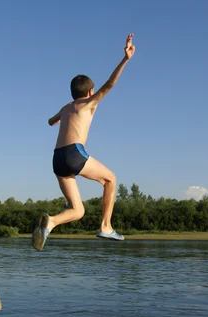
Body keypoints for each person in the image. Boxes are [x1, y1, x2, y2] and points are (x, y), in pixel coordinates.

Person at [32, 33, 136, 251]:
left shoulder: (66, 108)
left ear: (71, 93)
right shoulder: (89, 103)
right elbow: (110, 84)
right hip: (74, 153)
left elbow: (51, 121)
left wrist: (57, 119)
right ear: (89, 92)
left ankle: (50, 222)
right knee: (110, 179)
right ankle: (106, 226)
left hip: (57, 159)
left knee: (78, 211)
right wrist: (125, 59)